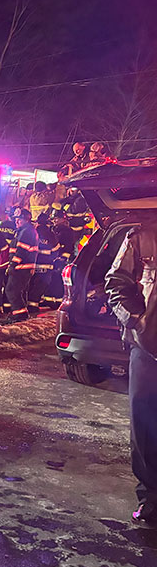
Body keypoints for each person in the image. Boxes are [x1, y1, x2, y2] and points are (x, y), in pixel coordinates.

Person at [105, 225, 157, 525]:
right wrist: (137, 322)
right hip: (149, 348)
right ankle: (151, 497)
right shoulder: (142, 236)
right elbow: (116, 281)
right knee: (146, 427)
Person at [4, 208, 38, 323]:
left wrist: (13, 265)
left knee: (11, 290)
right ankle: (20, 312)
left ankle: (19, 314)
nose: (16, 221)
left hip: (21, 267)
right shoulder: (24, 231)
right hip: (23, 267)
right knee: (17, 291)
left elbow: (22, 251)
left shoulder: (27, 232)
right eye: (16, 219)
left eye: (19, 219)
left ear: (26, 220)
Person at [29, 212, 60, 310]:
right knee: (41, 285)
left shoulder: (32, 233)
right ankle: (33, 305)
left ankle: (30, 304)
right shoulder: (50, 235)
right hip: (46, 266)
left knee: (31, 284)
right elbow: (56, 250)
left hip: (33, 265)